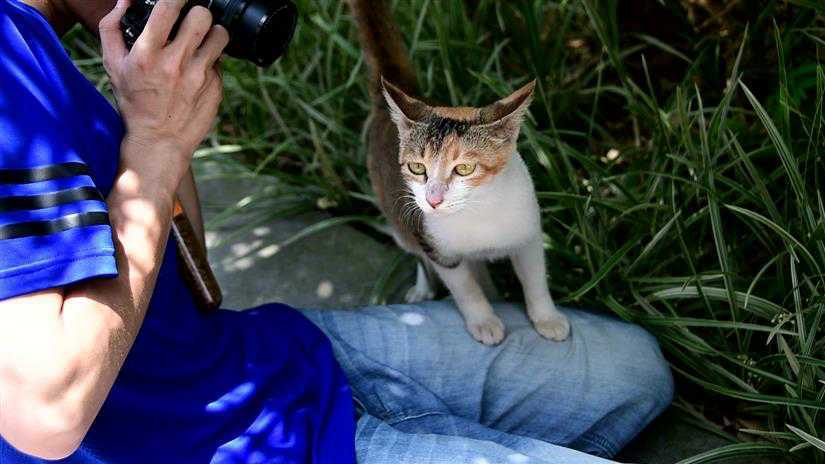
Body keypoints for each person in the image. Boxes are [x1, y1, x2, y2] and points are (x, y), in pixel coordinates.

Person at [0, 0, 674, 462]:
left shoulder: (44, 43)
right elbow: (46, 411)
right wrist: (150, 143)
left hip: (265, 366)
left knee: (633, 371)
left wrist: (170, 135)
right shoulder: (7, 69)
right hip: (203, 444)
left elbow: (190, 275)